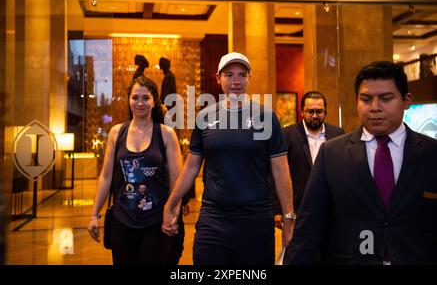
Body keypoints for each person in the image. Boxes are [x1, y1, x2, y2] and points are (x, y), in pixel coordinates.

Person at [284, 61, 437, 265]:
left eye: (386, 98)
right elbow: (309, 227)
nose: (375, 107)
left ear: (406, 100)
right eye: (366, 99)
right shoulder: (332, 154)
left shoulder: (431, 153)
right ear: (356, 102)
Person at [162, 52, 295, 265]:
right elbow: (191, 166)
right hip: (213, 221)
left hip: (255, 222)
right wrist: (172, 201)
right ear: (218, 78)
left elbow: (281, 170)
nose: (236, 81)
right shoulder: (205, 117)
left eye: (242, 75)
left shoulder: (266, 117)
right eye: (229, 74)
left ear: (249, 78)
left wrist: (289, 217)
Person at [87, 75, 182, 265]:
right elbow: (106, 177)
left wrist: (173, 214)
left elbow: (177, 180)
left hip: (156, 220)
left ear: (154, 101)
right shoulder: (116, 133)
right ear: (128, 99)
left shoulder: (166, 134)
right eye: (135, 97)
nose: (140, 103)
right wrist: (94, 214)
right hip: (122, 220)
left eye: (146, 98)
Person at [271, 91, 344, 229]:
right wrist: (278, 210)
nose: (315, 115)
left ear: (325, 111)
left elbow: (343, 172)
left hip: (330, 209)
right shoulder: (287, 135)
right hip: (297, 210)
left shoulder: (338, 134)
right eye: (310, 111)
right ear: (302, 111)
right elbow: (276, 172)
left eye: (319, 111)